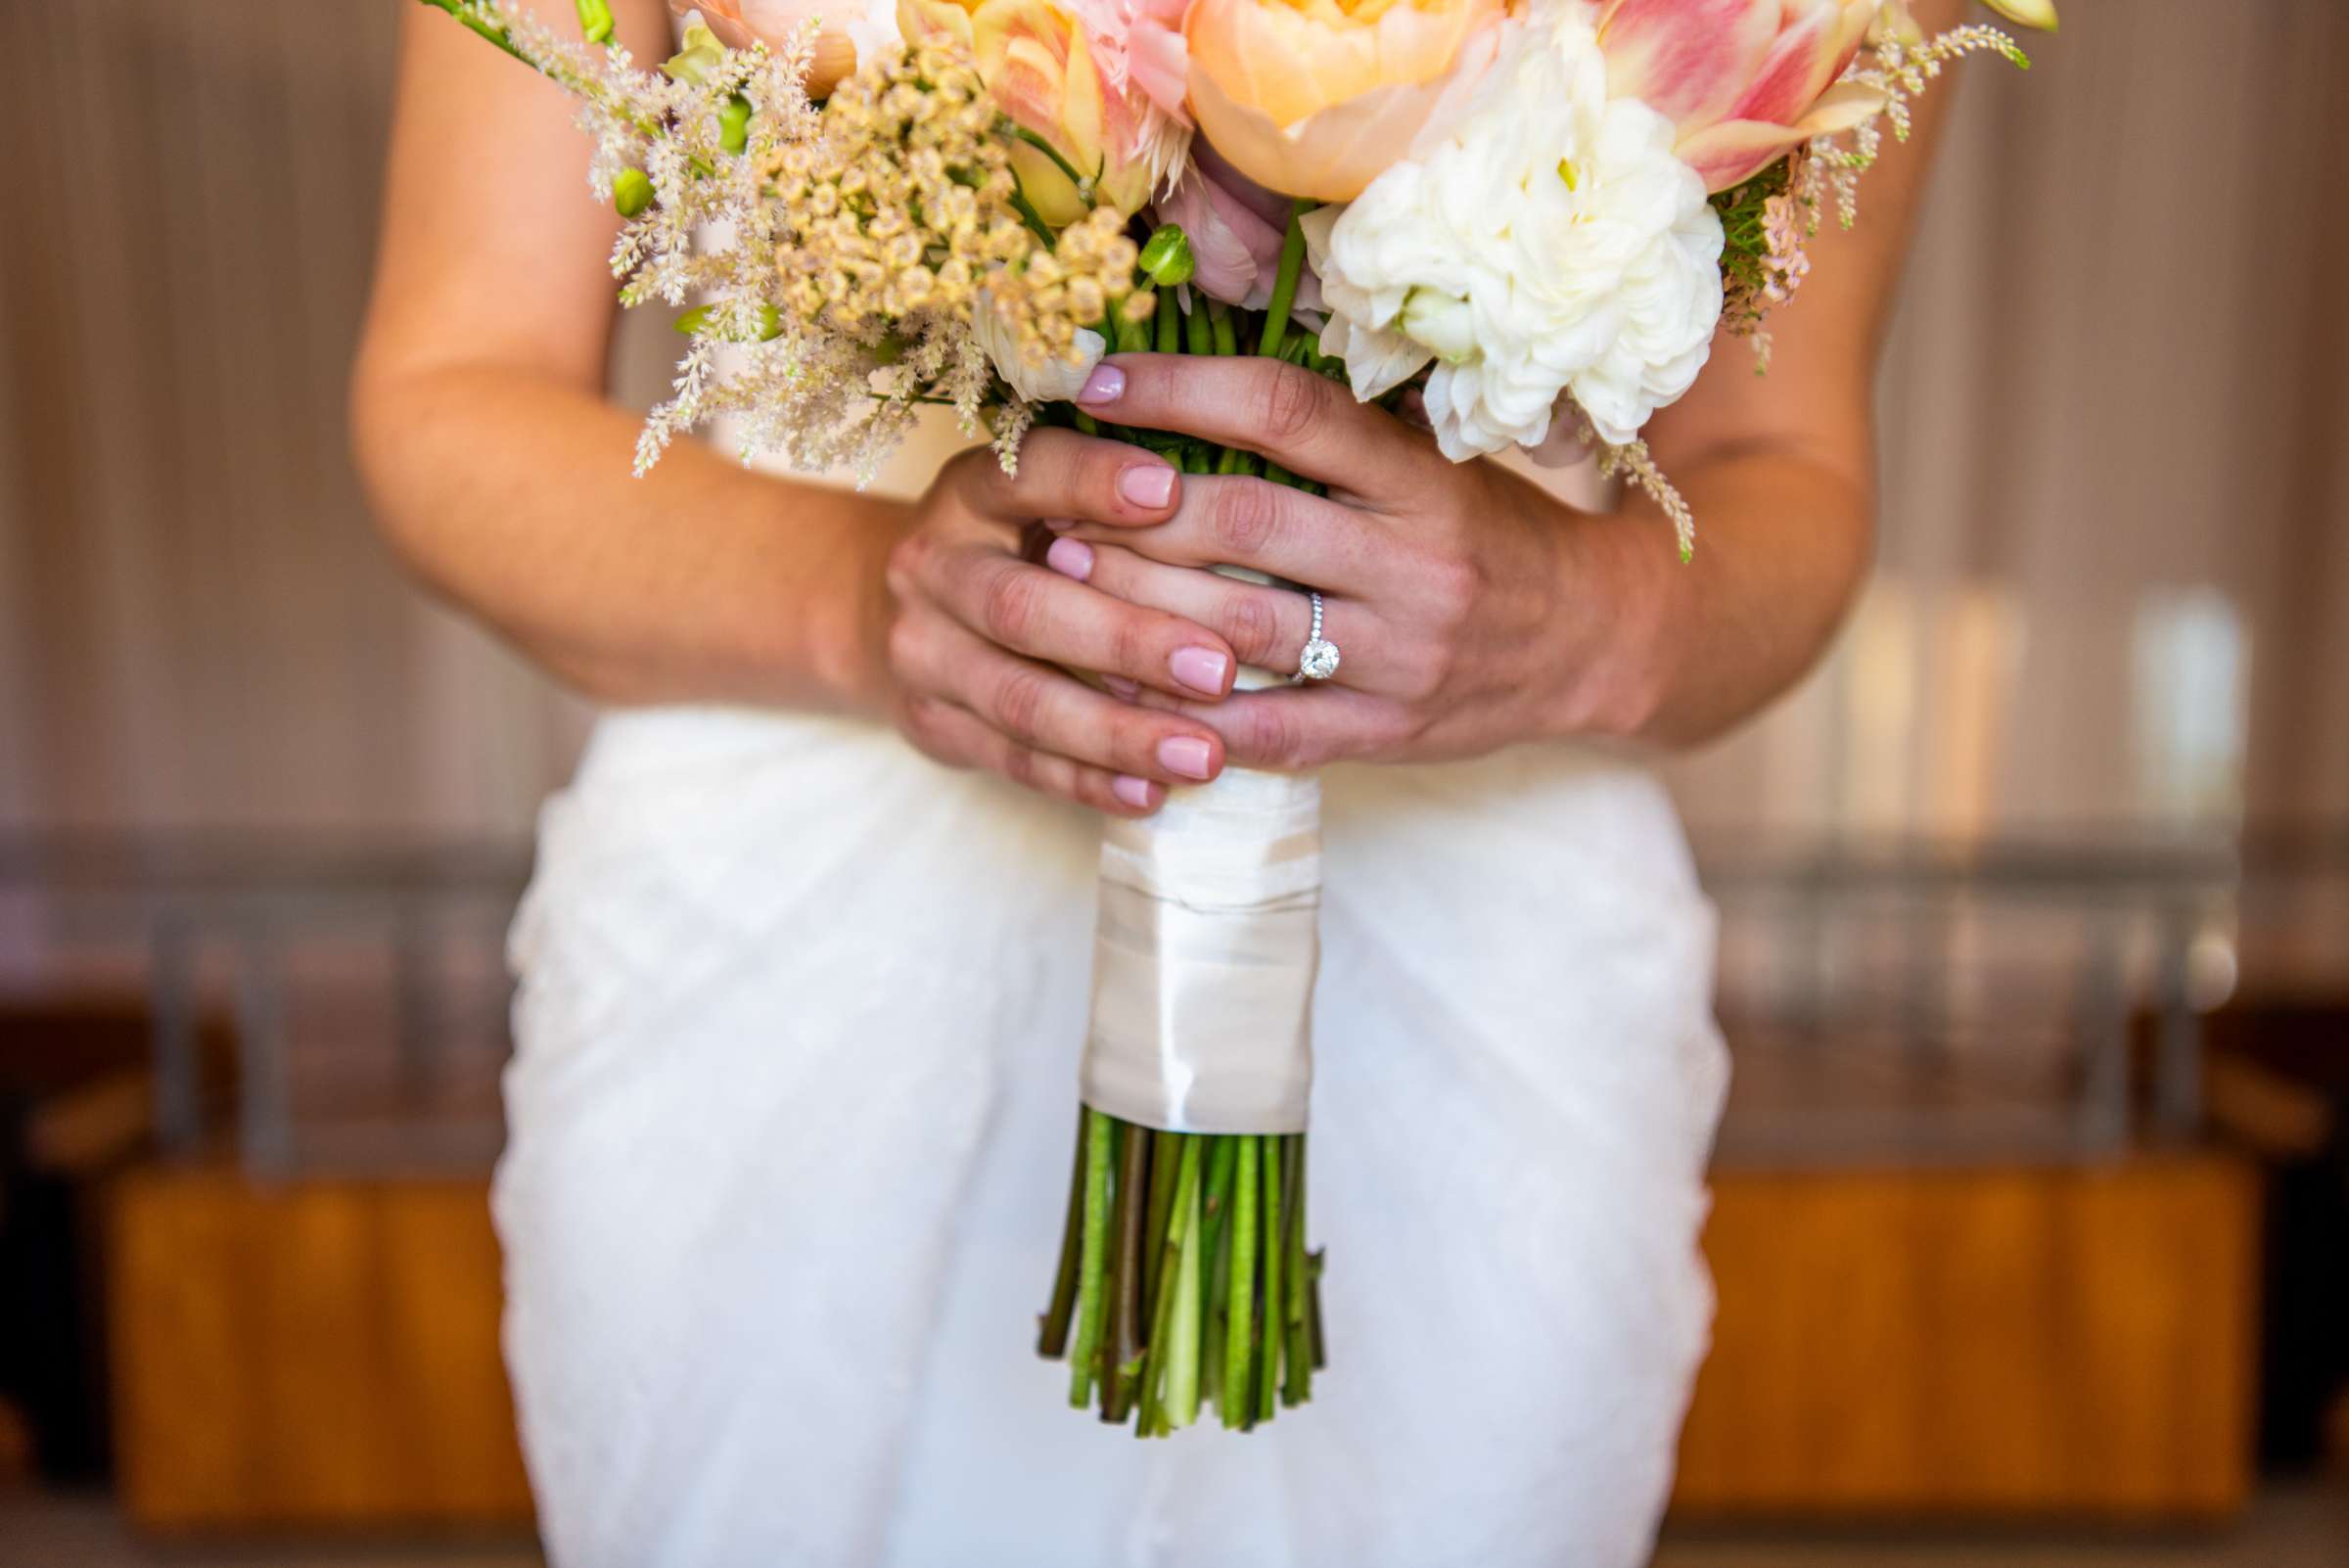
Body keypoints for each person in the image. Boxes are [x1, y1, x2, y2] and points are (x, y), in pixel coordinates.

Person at [351, 2, 1962, 1562]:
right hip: (798, 925)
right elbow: (454, 385)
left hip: (1473, 934)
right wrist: (865, 599)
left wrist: (1584, 616)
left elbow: (1789, 467)